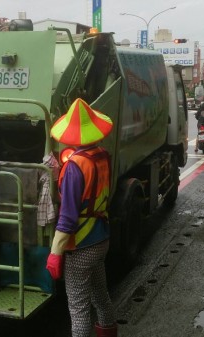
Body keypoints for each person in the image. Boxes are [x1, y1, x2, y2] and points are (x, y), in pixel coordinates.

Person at [46, 98, 117, 337]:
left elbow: (67, 217)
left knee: (78, 310)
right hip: (101, 239)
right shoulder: (102, 156)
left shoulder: (75, 166)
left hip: (81, 246)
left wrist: (56, 253)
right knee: (101, 296)